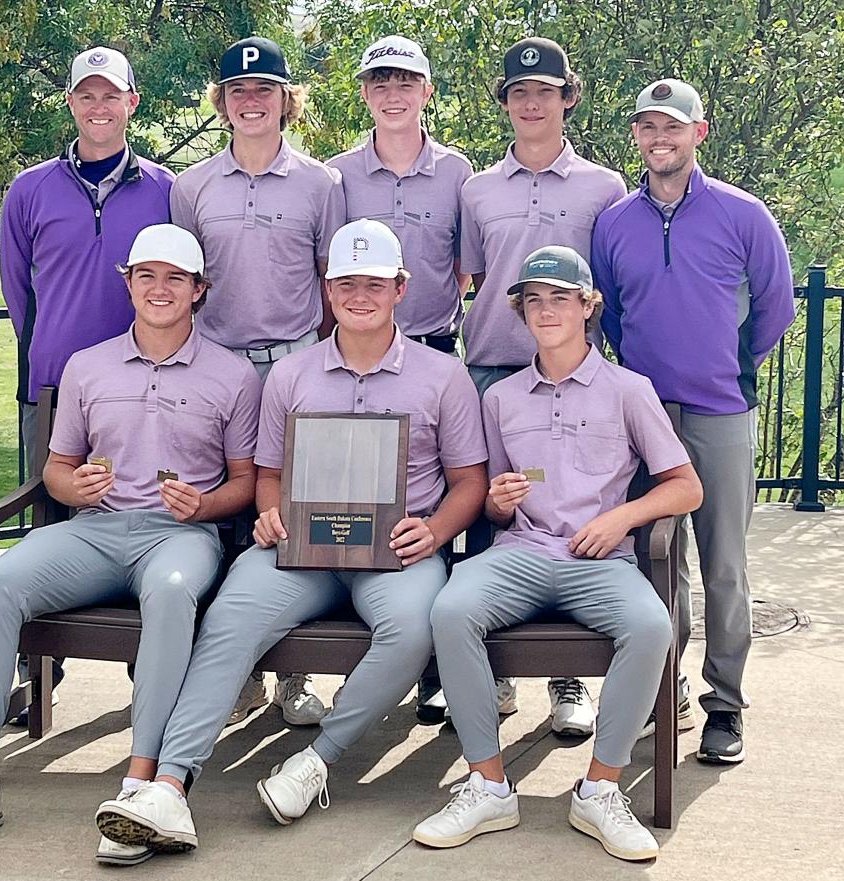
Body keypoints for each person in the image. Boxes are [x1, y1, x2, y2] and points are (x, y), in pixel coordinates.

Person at [92, 219, 489, 854]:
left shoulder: (443, 376)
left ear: (401, 289)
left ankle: (317, 760)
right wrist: (271, 513)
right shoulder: (292, 375)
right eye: (345, 284)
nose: (359, 296)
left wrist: (436, 529)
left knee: (416, 626)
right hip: (299, 550)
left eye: (374, 285)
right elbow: (269, 473)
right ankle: (168, 787)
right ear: (327, 290)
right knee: (230, 618)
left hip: (396, 553)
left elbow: (469, 481)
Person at [0, 225, 262, 865]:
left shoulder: (234, 376)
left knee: (174, 591)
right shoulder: (87, 365)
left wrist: (205, 504)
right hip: (95, 531)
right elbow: (56, 468)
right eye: (147, 276)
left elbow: (245, 482)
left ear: (199, 291)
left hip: (181, 537)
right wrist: (73, 484)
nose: (160, 290)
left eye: (175, 279)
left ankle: (140, 789)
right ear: (127, 282)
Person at [413, 245, 703, 861]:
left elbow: (686, 486)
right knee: (450, 609)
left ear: (587, 307)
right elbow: (492, 507)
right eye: (534, 300)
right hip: (523, 552)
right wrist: (497, 498)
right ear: (520, 312)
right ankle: (488, 784)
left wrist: (622, 516)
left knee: (652, 626)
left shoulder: (629, 390)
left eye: (560, 298)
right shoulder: (502, 398)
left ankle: (599, 791)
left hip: (601, 560)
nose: (546, 310)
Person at [592, 79, 795, 763]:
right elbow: (611, 313)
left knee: (725, 566)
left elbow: (774, 307)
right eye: (647, 127)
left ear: (698, 133)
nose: (660, 140)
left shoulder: (743, 214)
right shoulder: (616, 222)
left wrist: (733, 366)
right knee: (659, 564)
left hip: (721, 414)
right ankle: (666, 691)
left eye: (672, 128)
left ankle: (726, 706)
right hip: (647, 418)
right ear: (637, 136)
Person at [171, 36, 347, 726]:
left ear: (286, 102)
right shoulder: (192, 187)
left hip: (294, 362)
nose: (252, 102)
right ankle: (233, 672)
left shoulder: (320, 183)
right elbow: (184, 283)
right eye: (238, 92)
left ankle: (292, 676)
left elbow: (332, 285)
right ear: (222, 104)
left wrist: (322, 363)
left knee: (287, 519)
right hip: (215, 364)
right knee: (222, 518)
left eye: (265, 91)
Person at [458, 36, 628, 736]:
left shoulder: (604, 186)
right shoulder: (476, 189)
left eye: (546, 90)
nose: (532, 102)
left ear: (568, 97)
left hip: (569, 375)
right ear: (506, 103)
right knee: (490, 519)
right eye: (519, 92)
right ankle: (490, 672)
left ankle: (566, 681)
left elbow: (610, 287)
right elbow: (473, 278)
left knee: (564, 523)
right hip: (491, 369)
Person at [0, 46, 174, 713]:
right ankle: (37, 667)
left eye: (112, 96)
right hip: (54, 388)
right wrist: (56, 357)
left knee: (143, 517)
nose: (99, 108)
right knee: (49, 519)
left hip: (149, 384)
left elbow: (175, 287)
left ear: (133, 103)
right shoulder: (30, 189)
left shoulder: (164, 189)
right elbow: (20, 292)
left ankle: (146, 670)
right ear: (70, 103)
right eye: (86, 96)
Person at [327, 34, 475, 723]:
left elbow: (464, 267)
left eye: (405, 81)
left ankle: (432, 670)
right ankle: (348, 657)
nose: (392, 92)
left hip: (431, 354)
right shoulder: (338, 175)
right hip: (353, 358)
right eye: (379, 81)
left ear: (427, 91)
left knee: (433, 509)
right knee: (352, 508)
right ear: (364, 93)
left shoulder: (457, 171)